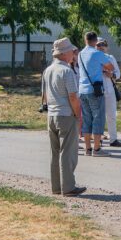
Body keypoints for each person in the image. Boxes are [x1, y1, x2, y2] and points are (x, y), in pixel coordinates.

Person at [43, 38, 86, 197]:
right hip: (66, 114)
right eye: (71, 51)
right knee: (67, 152)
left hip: (52, 115)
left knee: (55, 153)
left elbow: (45, 96)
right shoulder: (67, 71)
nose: (73, 54)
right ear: (64, 53)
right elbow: (73, 97)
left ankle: (56, 187)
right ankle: (68, 187)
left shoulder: (48, 70)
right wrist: (77, 114)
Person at [78, 32, 115, 156]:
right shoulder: (97, 53)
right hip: (95, 90)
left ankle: (87, 149)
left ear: (85, 40)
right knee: (98, 119)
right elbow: (110, 67)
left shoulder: (80, 54)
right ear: (95, 41)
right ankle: (97, 149)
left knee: (87, 119)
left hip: (82, 90)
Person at [97, 39, 121, 148]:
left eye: (104, 45)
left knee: (111, 115)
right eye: (99, 45)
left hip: (109, 90)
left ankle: (113, 139)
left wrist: (111, 74)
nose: (102, 46)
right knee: (98, 116)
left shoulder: (110, 58)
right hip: (97, 90)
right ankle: (99, 139)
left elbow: (118, 74)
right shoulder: (93, 59)